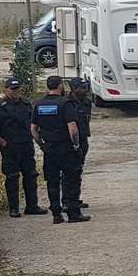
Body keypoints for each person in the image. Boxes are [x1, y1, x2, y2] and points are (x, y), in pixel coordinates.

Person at [0, 77, 46, 218]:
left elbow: (33, 123)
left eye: (17, 89)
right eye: (13, 89)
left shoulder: (25, 104)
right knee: (12, 177)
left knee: (31, 175)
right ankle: (14, 208)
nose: (16, 92)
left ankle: (32, 206)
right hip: (10, 148)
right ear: (5, 90)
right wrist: (2, 142)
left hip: (26, 145)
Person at [32, 75, 89, 224]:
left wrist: (41, 145)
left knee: (52, 182)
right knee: (72, 180)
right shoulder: (65, 104)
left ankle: (56, 214)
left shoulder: (39, 104)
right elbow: (73, 128)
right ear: (60, 86)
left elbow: (33, 129)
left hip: (49, 149)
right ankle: (73, 213)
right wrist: (76, 145)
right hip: (66, 149)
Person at [69, 77, 94, 211]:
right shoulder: (67, 103)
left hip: (83, 139)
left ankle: (75, 199)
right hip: (69, 141)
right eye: (81, 88)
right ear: (74, 89)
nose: (85, 90)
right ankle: (67, 200)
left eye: (85, 87)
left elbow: (87, 120)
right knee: (69, 172)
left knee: (78, 170)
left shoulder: (87, 103)